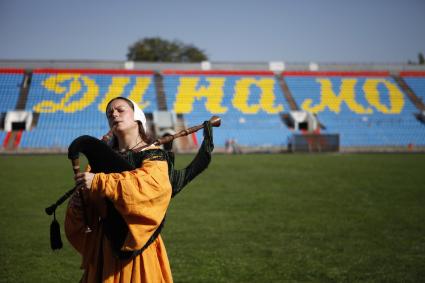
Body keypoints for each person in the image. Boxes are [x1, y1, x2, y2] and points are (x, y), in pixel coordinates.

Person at [65, 96, 214, 283]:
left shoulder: (154, 155)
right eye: (109, 113)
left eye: (120, 109)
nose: (113, 114)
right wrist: (80, 203)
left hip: (139, 247)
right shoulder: (99, 162)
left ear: (136, 117)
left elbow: (148, 188)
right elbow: (90, 206)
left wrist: (100, 181)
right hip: (105, 248)